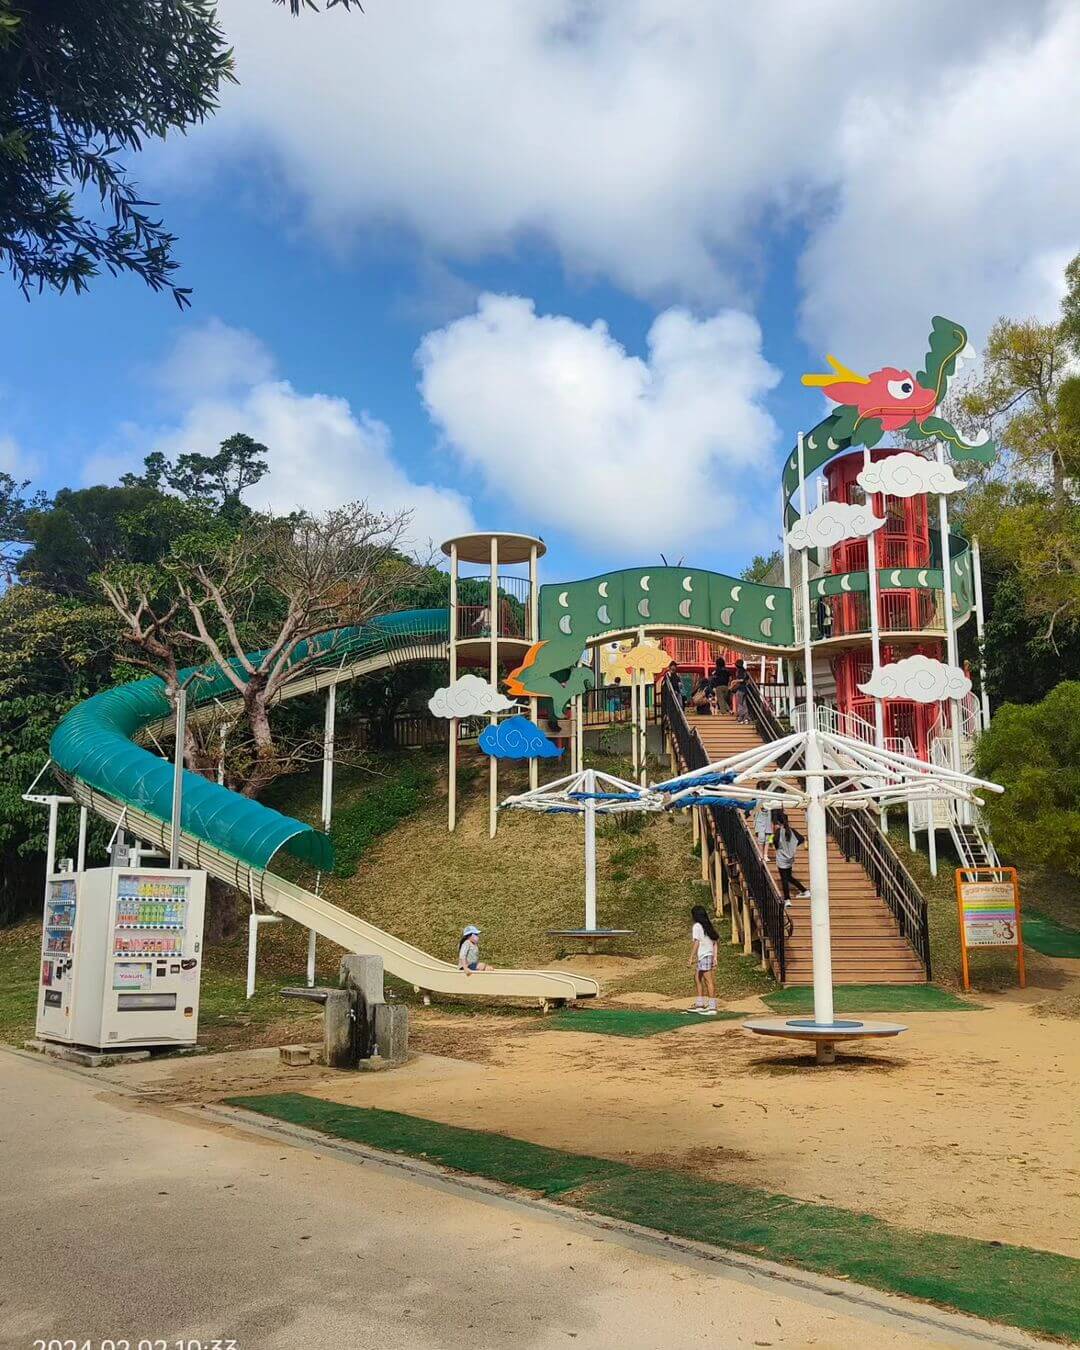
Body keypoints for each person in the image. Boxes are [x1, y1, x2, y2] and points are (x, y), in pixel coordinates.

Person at [772, 811, 809, 932]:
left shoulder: (778, 832)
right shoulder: (791, 830)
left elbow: (775, 843)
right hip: (790, 858)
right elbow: (801, 839)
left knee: (784, 878)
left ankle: (787, 899)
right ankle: (804, 890)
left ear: (777, 823)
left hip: (782, 859)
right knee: (788, 877)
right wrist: (791, 848)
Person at [688, 904, 720, 1014]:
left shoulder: (697, 926)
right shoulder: (707, 925)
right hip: (707, 956)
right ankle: (700, 1004)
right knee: (697, 977)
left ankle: (712, 1008)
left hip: (704, 955)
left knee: (708, 980)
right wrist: (715, 957)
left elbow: (697, 942)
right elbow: (715, 942)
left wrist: (691, 957)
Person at [748, 789, 773, 863]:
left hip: (768, 822)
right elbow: (751, 809)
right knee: (761, 838)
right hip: (759, 822)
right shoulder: (757, 799)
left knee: (768, 839)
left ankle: (765, 855)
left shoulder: (770, 800)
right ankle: (761, 855)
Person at [731, 659, 750, 723]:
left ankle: (741, 717)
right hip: (745, 689)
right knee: (744, 703)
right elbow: (746, 679)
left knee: (740, 703)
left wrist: (734, 681)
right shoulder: (745, 671)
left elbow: (741, 679)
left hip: (740, 689)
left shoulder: (740, 671)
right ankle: (746, 718)